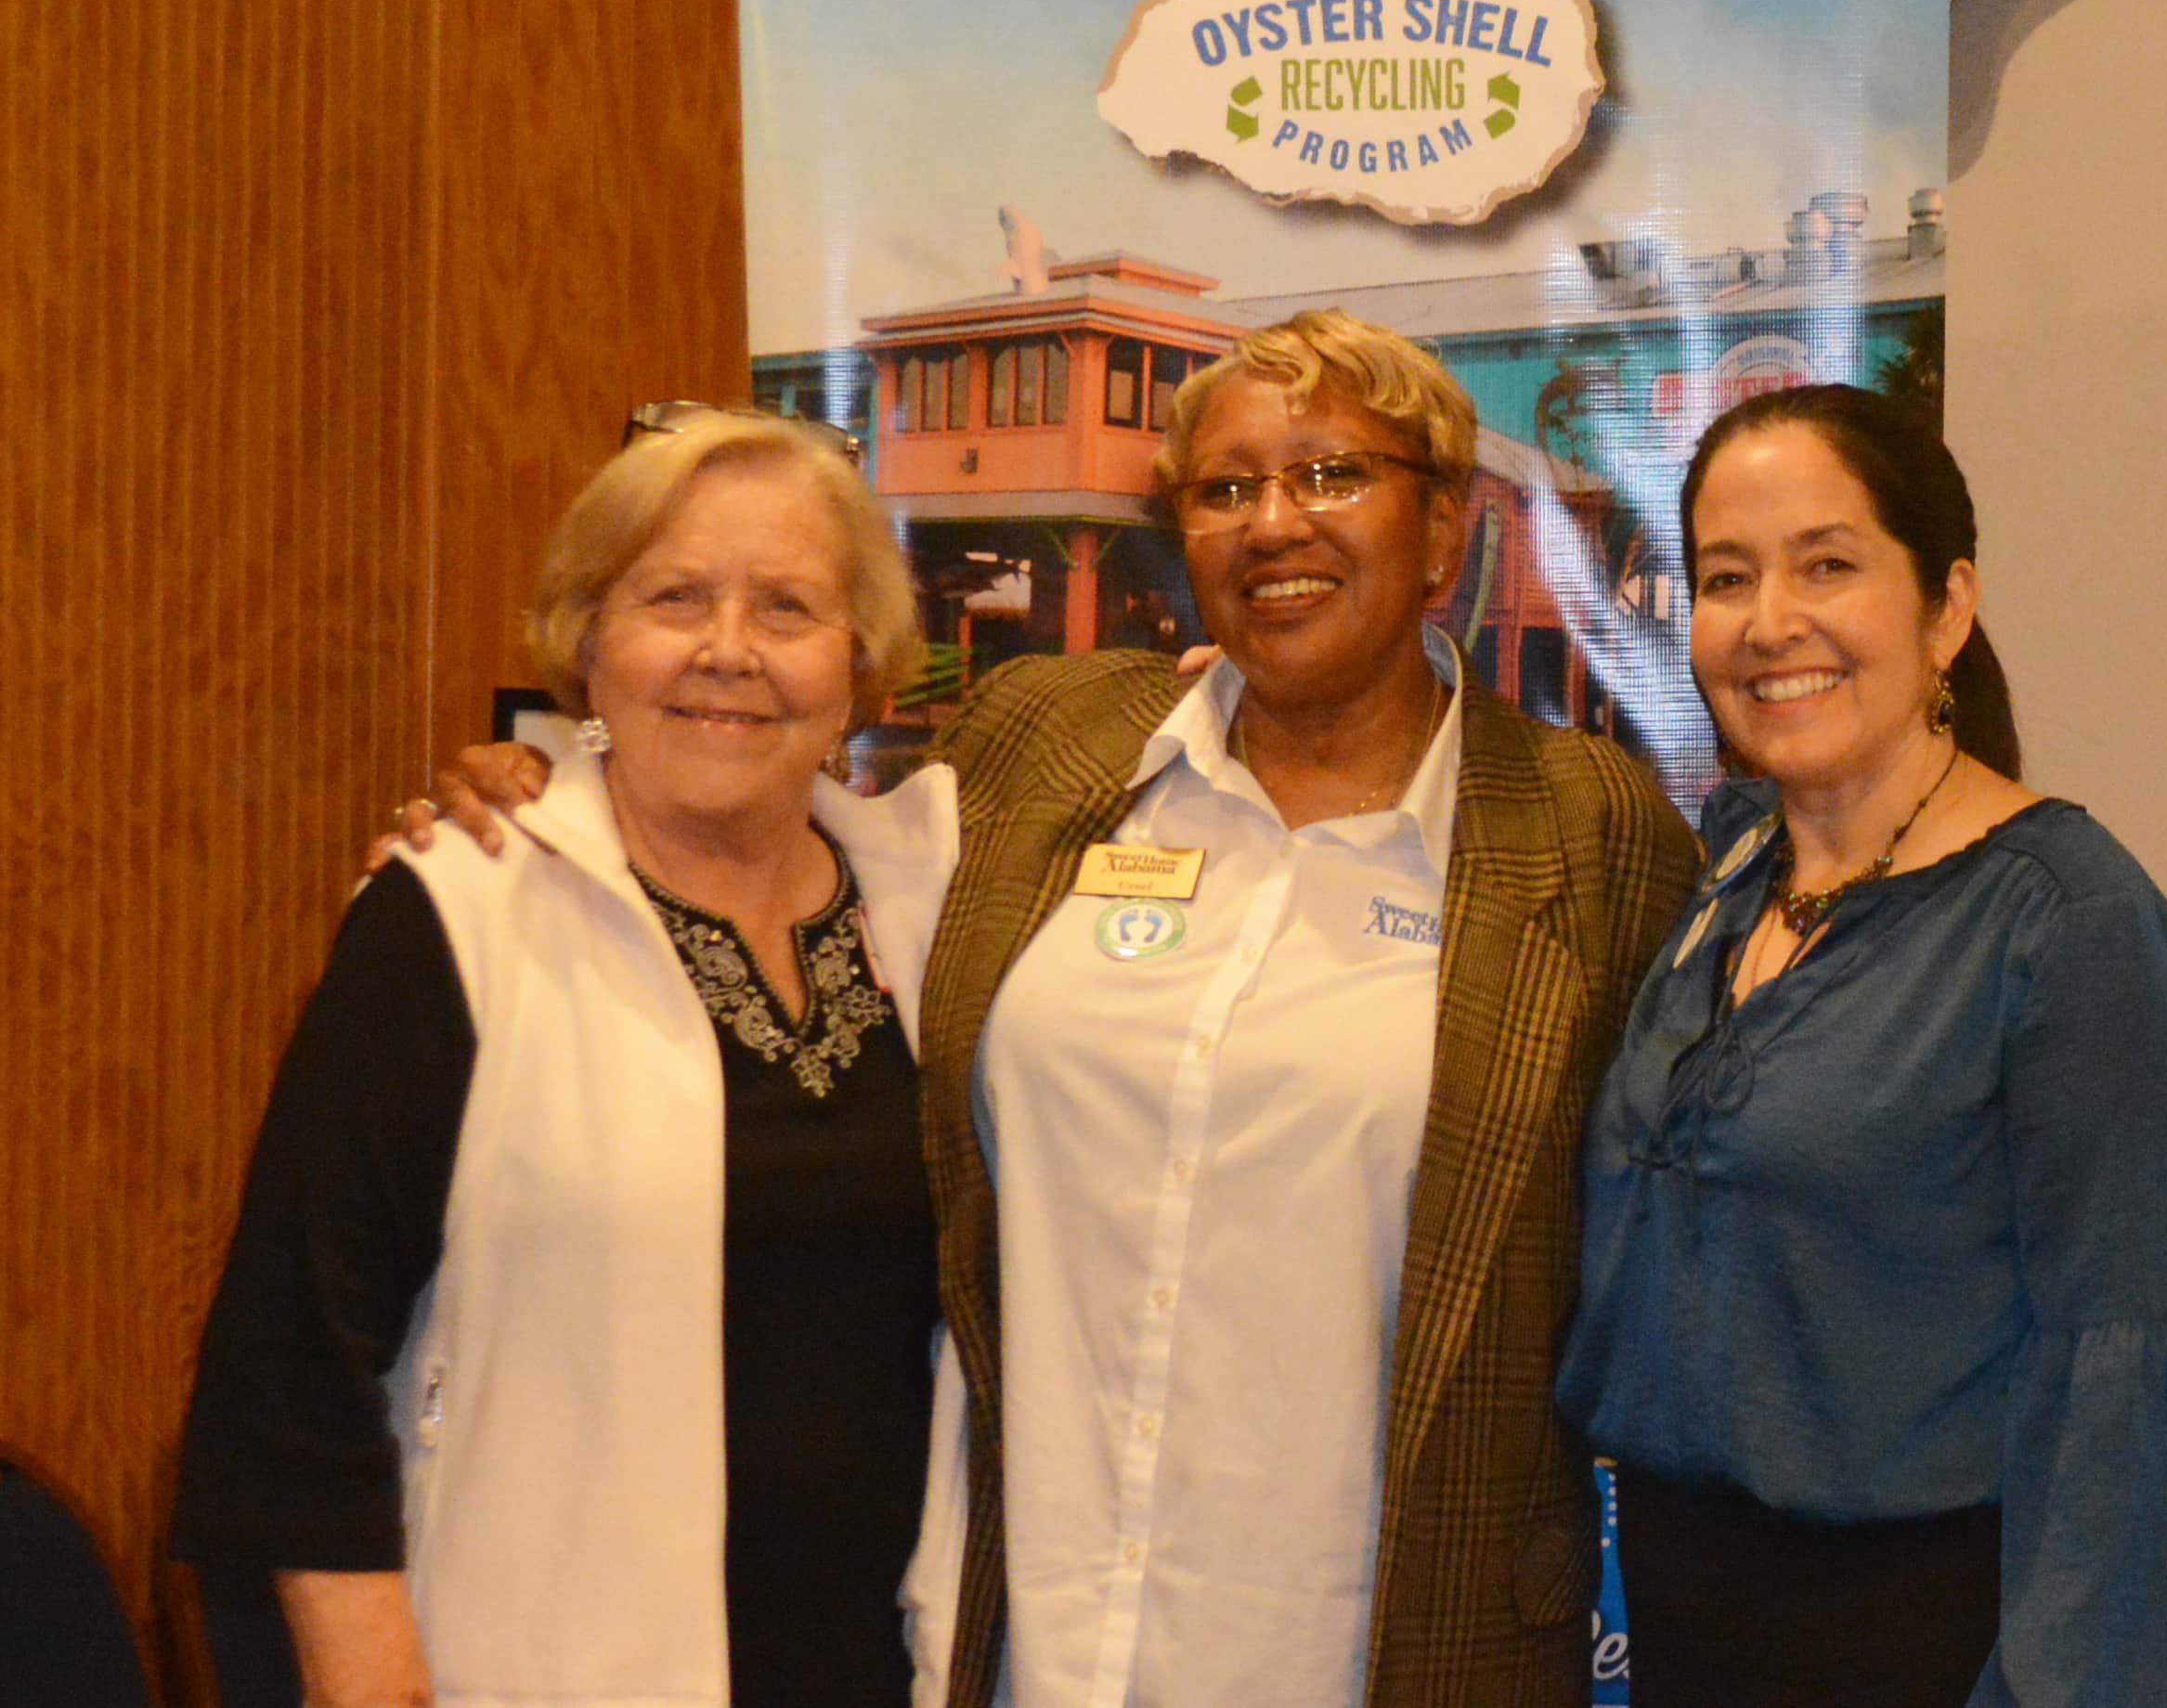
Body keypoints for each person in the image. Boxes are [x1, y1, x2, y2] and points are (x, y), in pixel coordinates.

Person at [421, 314, 1699, 1706]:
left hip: (1385, 1649)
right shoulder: (1050, 745)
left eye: (1333, 476)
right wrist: (571, 769)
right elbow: (770, 815)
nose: (1275, 524)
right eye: (1223, 490)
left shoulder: (1588, 835)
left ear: (1445, 532)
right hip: (1029, 1643)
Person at [173, 412, 959, 1708]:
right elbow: (293, 1356)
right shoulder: (461, 907)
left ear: (861, 662)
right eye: (675, 598)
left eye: (788, 607)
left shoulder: (942, 910)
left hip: (883, 1665)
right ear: (588, 641)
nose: (728, 651)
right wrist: (367, 1681)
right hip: (534, 1662)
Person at [1555, 384, 2167, 1707]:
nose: (1771, 622)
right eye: (1729, 578)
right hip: (1659, 1632)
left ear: (1948, 605)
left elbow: (2116, 1407)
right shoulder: (1729, 871)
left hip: (1912, 1646)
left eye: (1830, 565)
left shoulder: (2071, 927)